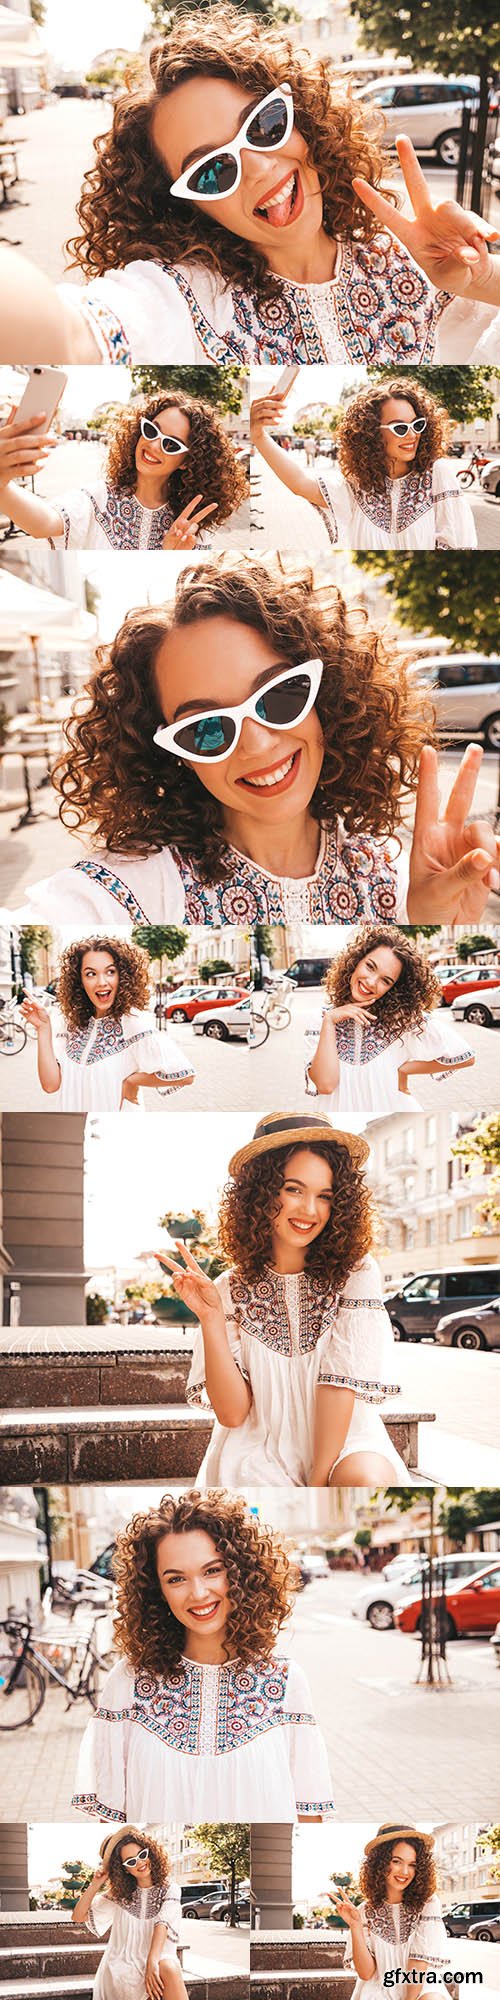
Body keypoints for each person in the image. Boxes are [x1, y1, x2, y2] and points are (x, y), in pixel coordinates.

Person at [9, 558, 500, 926]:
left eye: (281, 695)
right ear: (173, 754)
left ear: (327, 698)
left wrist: (430, 928)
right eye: (206, 728)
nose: (257, 744)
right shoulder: (115, 898)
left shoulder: (398, 874)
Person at [0, 9, 498, 365]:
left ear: (302, 119)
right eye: (212, 170)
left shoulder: (423, 263)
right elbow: (67, 334)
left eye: (264, 125)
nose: (260, 167)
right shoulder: (185, 302)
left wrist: (483, 280)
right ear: (186, 204)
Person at [161, 1112, 407, 1487]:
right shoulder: (228, 1288)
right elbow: (232, 1414)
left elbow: (338, 1382)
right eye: (294, 1189)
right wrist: (211, 1318)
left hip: (344, 1440)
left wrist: (319, 1480)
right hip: (258, 1445)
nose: (310, 1210)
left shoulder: (355, 1272)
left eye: (324, 1196)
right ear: (261, 1193)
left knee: (363, 1479)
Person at [72, 1489, 335, 1822]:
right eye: (176, 1578)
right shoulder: (128, 1682)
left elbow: (308, 1817)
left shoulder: (285, 1683)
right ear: (157, 1590)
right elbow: (112, 1822)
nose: (198, 1593)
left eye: (212, 1570)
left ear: (241, 1573)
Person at [0, 390, 247, 549]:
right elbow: (42, 523)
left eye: (170, 444)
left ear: (186, 461)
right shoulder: (96, 500)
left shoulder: (192, 524)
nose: (152, 444)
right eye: (151, 430)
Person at [250, 377, 477, 549]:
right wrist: (258, 435)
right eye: (400, 428)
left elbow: (461, 543)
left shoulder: (438, 474)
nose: (412, 435)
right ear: (372, 434)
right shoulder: (357, 487)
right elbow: (300, 483)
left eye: (417, 425)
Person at [305, 924, 474, 1115]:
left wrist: (405, 1069)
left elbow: (465, 1056)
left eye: (385, 980)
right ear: (356, 961)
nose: (371, 982)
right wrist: (330, 1022)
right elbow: (326, 1085)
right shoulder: (321, 1019)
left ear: (393, 988)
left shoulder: (402, 1020)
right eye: (370, 967)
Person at [20, 936, 195, 1110]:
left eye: (110, 971)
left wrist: (132, 1081)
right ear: (79, 981)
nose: (102, 982)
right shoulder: (70, 1023)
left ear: (123, 976)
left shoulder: (134, 1022)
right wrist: (43, 1029)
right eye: (91, 974)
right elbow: (50, 1085)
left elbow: (185, 1075)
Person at [330, 1823, 450, 1999]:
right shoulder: (363, 1910)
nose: (405, 1871)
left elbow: (419, 1961)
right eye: (396, 1861)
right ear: (380, 1863)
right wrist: (355, 1925)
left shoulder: (428, 1903)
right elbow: (366, 1973)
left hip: (420, 1984)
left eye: (412, 1864)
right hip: (378, 1987)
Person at [71, 1828, 186, 2000]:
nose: (140, 1863)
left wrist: (151, 1963)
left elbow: (162, 1923)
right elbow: (78, 1916)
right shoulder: (120, 1895)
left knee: (168, 1967)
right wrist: (95, 1884)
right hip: (121, 1966)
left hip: (156, 1961)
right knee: (156, 1971)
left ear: (151, 1852)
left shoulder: (170, 1889)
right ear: (124, 1869)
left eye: (142, 1854)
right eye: (131, 1862)